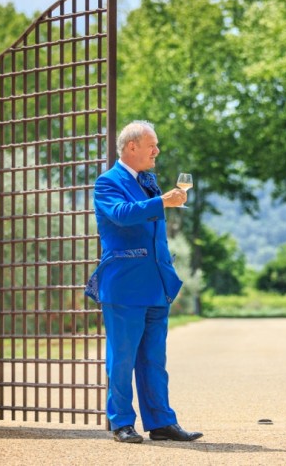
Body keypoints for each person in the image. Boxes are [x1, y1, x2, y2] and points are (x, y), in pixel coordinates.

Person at [86, 120, 202, 443]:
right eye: (152, 145)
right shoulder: (106, 183)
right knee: (121, 358)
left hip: (155, 283)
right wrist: (162, 201)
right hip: (124, 285)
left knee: (154, 359)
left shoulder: (148, 181)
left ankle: (161, 422)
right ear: (131, 147)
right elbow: (122, 214)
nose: (157, 151)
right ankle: (121, 422)